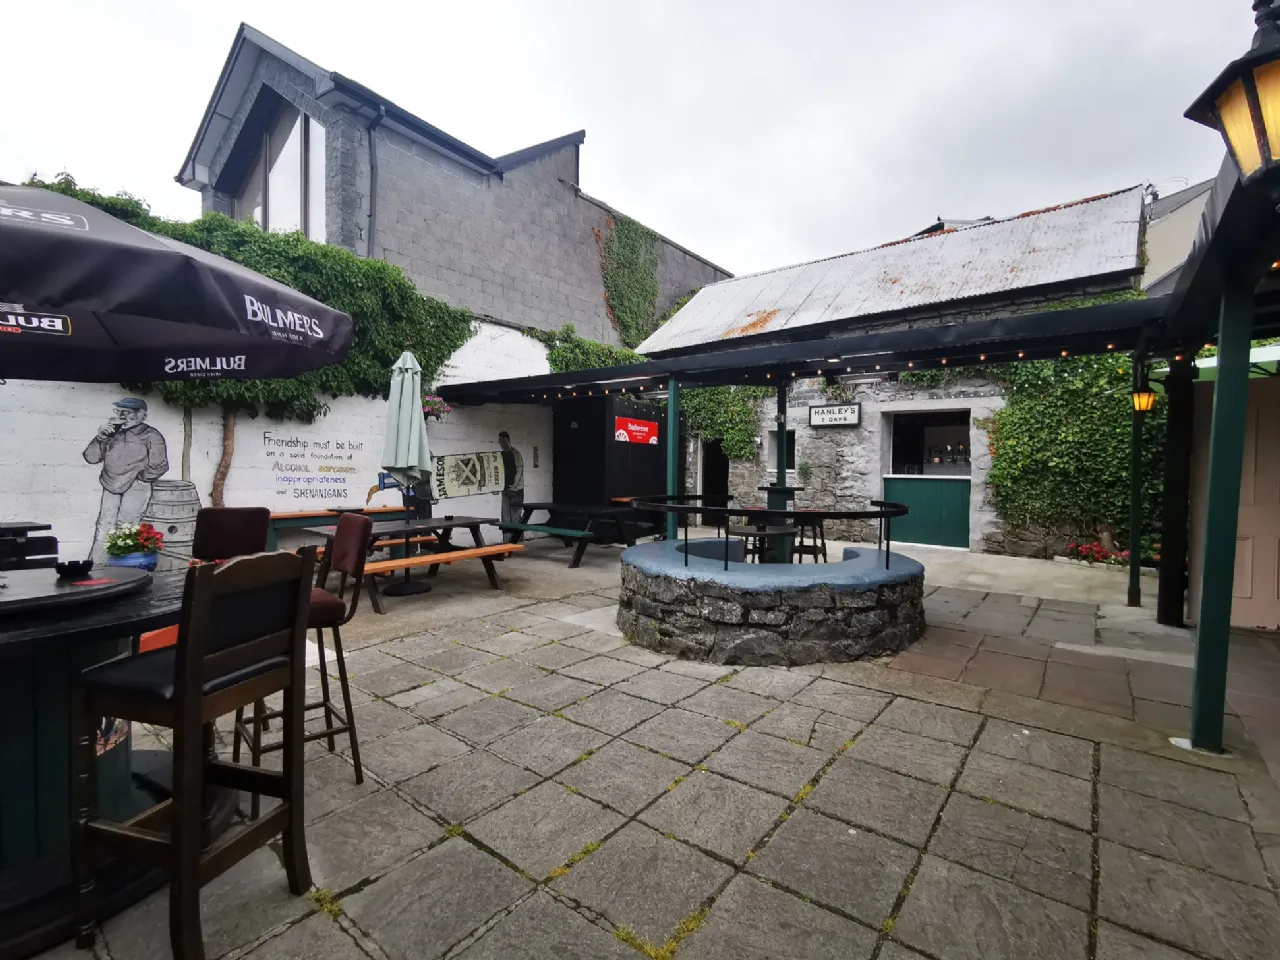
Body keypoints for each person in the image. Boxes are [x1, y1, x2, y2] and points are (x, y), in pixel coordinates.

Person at [83, 398, 169, 564]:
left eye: (127, 412)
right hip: (110, 483)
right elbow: (91, 458)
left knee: (127, 527)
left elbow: (160, 465)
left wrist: (140, 478)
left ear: (141, 415)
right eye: (119, 412)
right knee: (104, 526)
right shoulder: (111, 433)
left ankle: (122, 569)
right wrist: (99, 438)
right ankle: (96, 566)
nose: (122, 416)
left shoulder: (151, 435)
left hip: (136, 486)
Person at [498, 431, 524, 541]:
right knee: (505, 517)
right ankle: (507, 541)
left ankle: (517, 540)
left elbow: (519, 470)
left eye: (504, 440)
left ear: (508, 440)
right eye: (500, 441)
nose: (502, 443)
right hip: (505, 489)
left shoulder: (515, 453)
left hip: (516, 490)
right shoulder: (501, 455)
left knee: (515, 517)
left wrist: (514, 486)